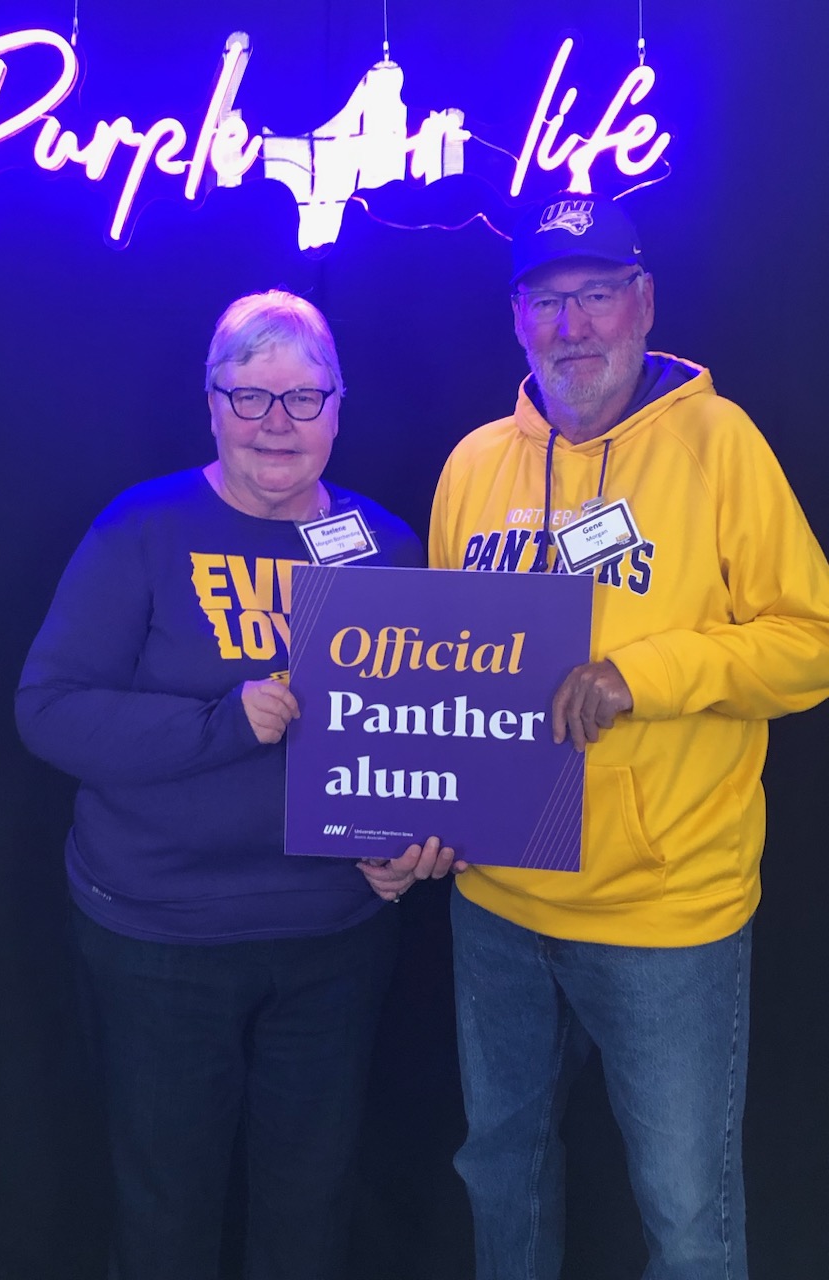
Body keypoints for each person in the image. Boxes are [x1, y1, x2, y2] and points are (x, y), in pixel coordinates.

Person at [427, 194, 829, 1279]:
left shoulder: (719, 442)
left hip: (665, 913)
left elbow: (812, 640)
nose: (575, 327)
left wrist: (645, 676)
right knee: (499, 1173)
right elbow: (437, 676)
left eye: (598, 295)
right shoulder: (472, 466)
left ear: (643, 304)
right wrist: (415, 812)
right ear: (518, 318)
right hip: (496, 906)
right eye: (549, 301)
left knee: (687, 1214)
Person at [15, 290, 454, 1280]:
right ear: (210, 405)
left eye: (302, 399)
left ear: (340, 408)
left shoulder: (386, 545)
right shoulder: (144, 527)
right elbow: (47, 708)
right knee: (167, 1211)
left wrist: (409, 845)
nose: (275, 425)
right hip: (162, 938)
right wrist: (222, 723)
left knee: (310, 1207)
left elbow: (422, 739)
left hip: (333, 939)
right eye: (248, 397)